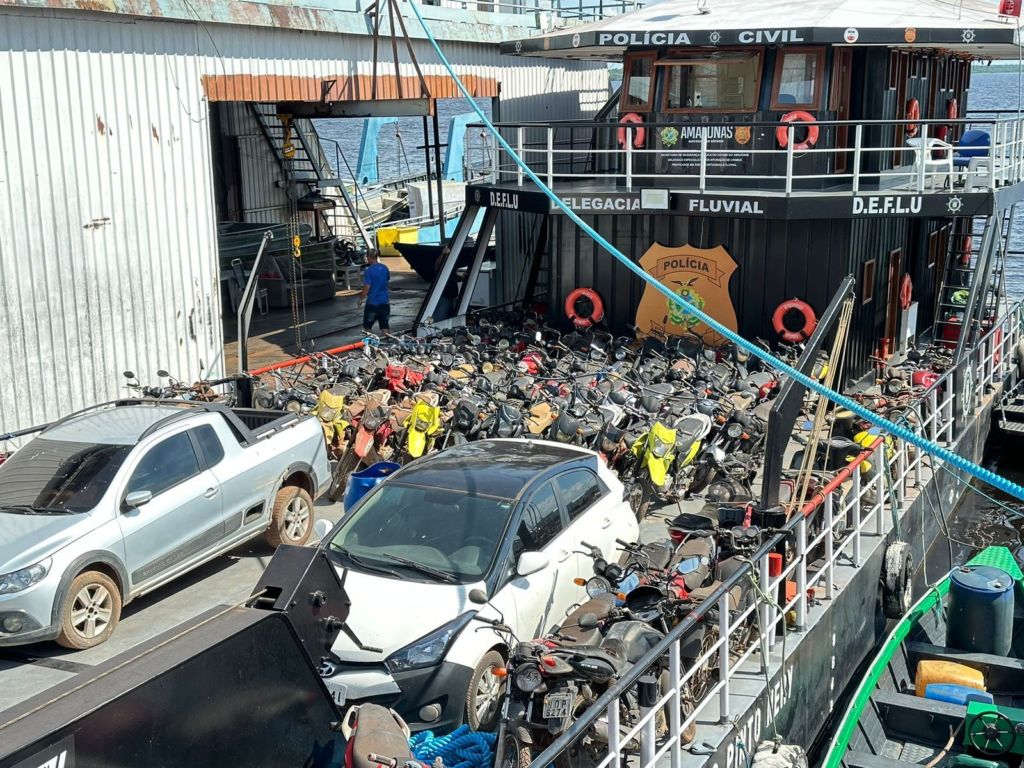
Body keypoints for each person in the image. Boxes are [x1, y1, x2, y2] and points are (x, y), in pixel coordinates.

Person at [358, 250, 390, 333]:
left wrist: (361, 299)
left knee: (367, 328)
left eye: (367, 257)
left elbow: (367, 287)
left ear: (369, 257)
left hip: (372, 304)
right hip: (385, 302)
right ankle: (388, 343)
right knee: (385, 326)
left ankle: (370, 345)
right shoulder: (384, 268)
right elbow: (387, 281)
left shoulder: (369, 271)